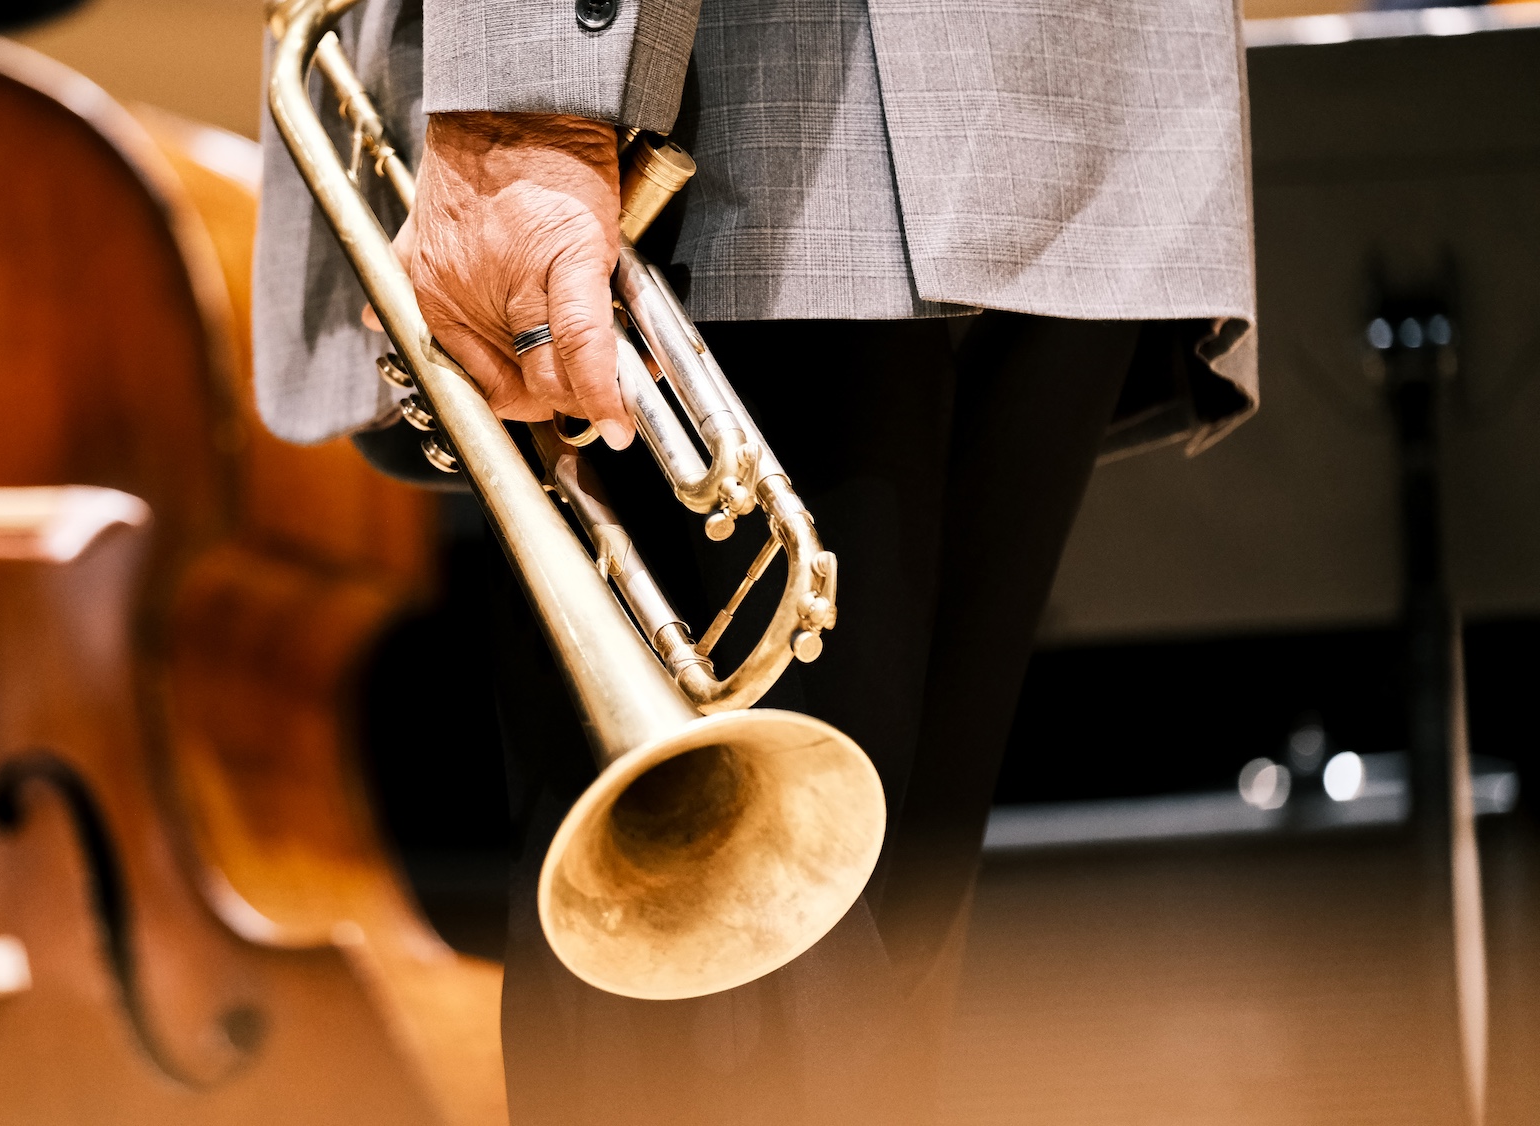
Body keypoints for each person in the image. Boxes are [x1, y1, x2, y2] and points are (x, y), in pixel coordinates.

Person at [255, 1, 1257, 1122]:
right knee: (868, 1023)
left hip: (735, 94)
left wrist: (527, 117)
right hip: (1046, 100)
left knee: (685, 1027)